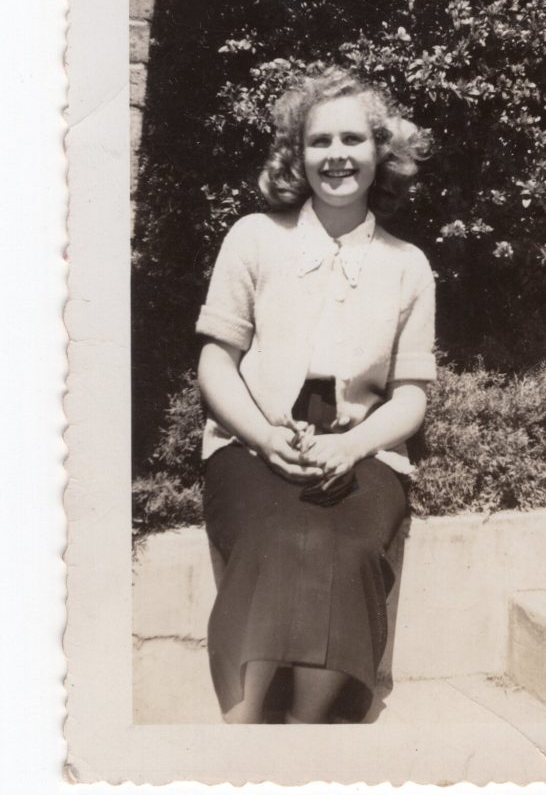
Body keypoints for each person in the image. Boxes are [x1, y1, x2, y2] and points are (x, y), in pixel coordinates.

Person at [196, 66, 436, 724]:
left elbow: (410, 396)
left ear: (379, 151)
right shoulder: (253, 237)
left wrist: (354, 445)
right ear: (297, 155)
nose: (335, 156)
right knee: (275, 536)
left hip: (362, 454)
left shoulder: (406, 265)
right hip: (251, 444)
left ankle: (309, 735)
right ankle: (245, 733)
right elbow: (216, 361)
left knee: (347, 546)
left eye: (352, 139)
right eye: (318, 141)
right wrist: (263, 436)